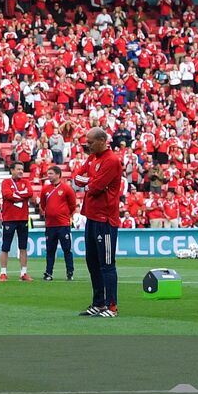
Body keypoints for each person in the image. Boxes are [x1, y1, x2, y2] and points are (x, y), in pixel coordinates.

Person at [73, 127, 124, 317]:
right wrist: (90, 181)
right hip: (92, 217)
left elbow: (95, 188)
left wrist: (90, 181)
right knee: (92, 261)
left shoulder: (111, 161)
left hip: (106, 220)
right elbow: (77, 178)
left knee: (107, 264)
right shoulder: (92, 158)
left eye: (91, 141)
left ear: (102, 140)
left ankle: (112, 306)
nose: (88, 145)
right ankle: (98, 303)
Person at [40, 166, 77, 281]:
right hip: (50, 225)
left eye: (51, 173)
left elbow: (72, 205)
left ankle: (70, 272)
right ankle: (48, 272)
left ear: (58, 175)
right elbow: (42, 204)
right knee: (50, 250)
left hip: (63, 225)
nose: (48, 175)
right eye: (48, 173)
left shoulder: (66, 188)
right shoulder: (45, 189)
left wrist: (64, 215)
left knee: (67, 249)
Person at [0, 162, 32, 282]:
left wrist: (16, 195)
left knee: (23, 247)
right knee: (5, 247)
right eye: (18, 169)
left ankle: (23, 273)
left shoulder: (26, 182)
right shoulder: (6, 182)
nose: (21, 171)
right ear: (12, 170)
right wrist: (21, 195)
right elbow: (8, 195)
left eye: (22, 169)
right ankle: (3, 273)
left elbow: (30, 193)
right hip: (9, 218)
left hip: (23, 218)